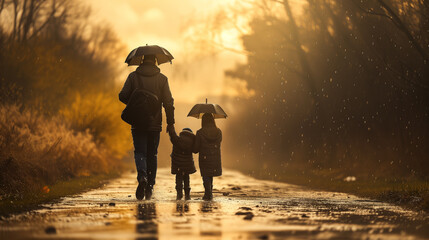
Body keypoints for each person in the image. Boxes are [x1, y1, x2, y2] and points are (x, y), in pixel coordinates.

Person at [119, 55, 175, 200]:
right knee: (152, 154)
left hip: (137, 122)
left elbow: (122, 96)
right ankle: (150, 185)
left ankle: (142, 176)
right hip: (154, 123)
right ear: (156, 61)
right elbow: (168, 103)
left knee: (140, 152)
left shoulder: (133, 77)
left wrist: (135, 100)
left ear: (142, 60)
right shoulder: (162, 79)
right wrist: (170, 123)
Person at [193, 113, 222, 200]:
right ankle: (209, 193)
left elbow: (196, 149)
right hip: (215, 158)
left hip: (204, 158)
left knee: (206, 175)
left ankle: (208, 193)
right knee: (211, 175)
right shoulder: (219, 132)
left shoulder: (200, 132)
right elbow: (219, 142)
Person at [167, 126, 196, 200]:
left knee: (178, 178)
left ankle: (179, 193)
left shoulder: (177, 140)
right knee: (186, 178)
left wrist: (170, 127)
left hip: (178, 165)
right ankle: (187, 194)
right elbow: (196, 149)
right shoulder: (192, 142)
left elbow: (172, 135)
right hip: (187, 165)